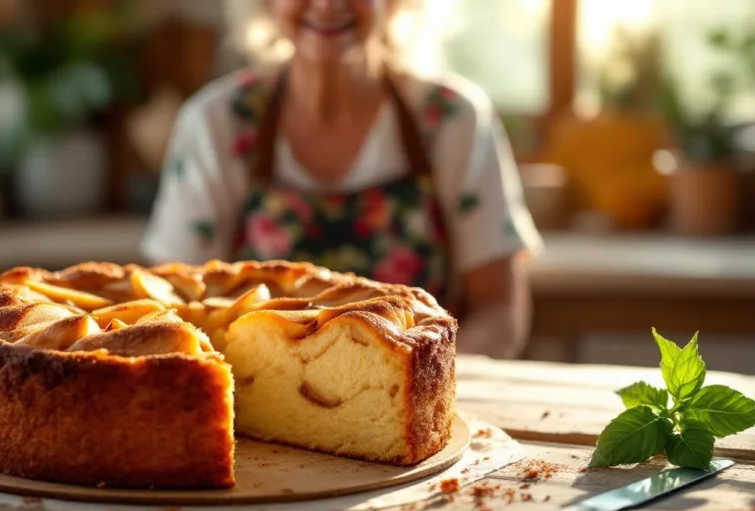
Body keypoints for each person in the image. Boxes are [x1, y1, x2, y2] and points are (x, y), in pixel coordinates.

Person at [141, 0, 543, 359]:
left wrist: (437, 380)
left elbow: (500, 308)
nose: (328, 5)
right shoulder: (217, 122)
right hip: (254, 406)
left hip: (415, 401)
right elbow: (176, 308)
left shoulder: (454, 119)